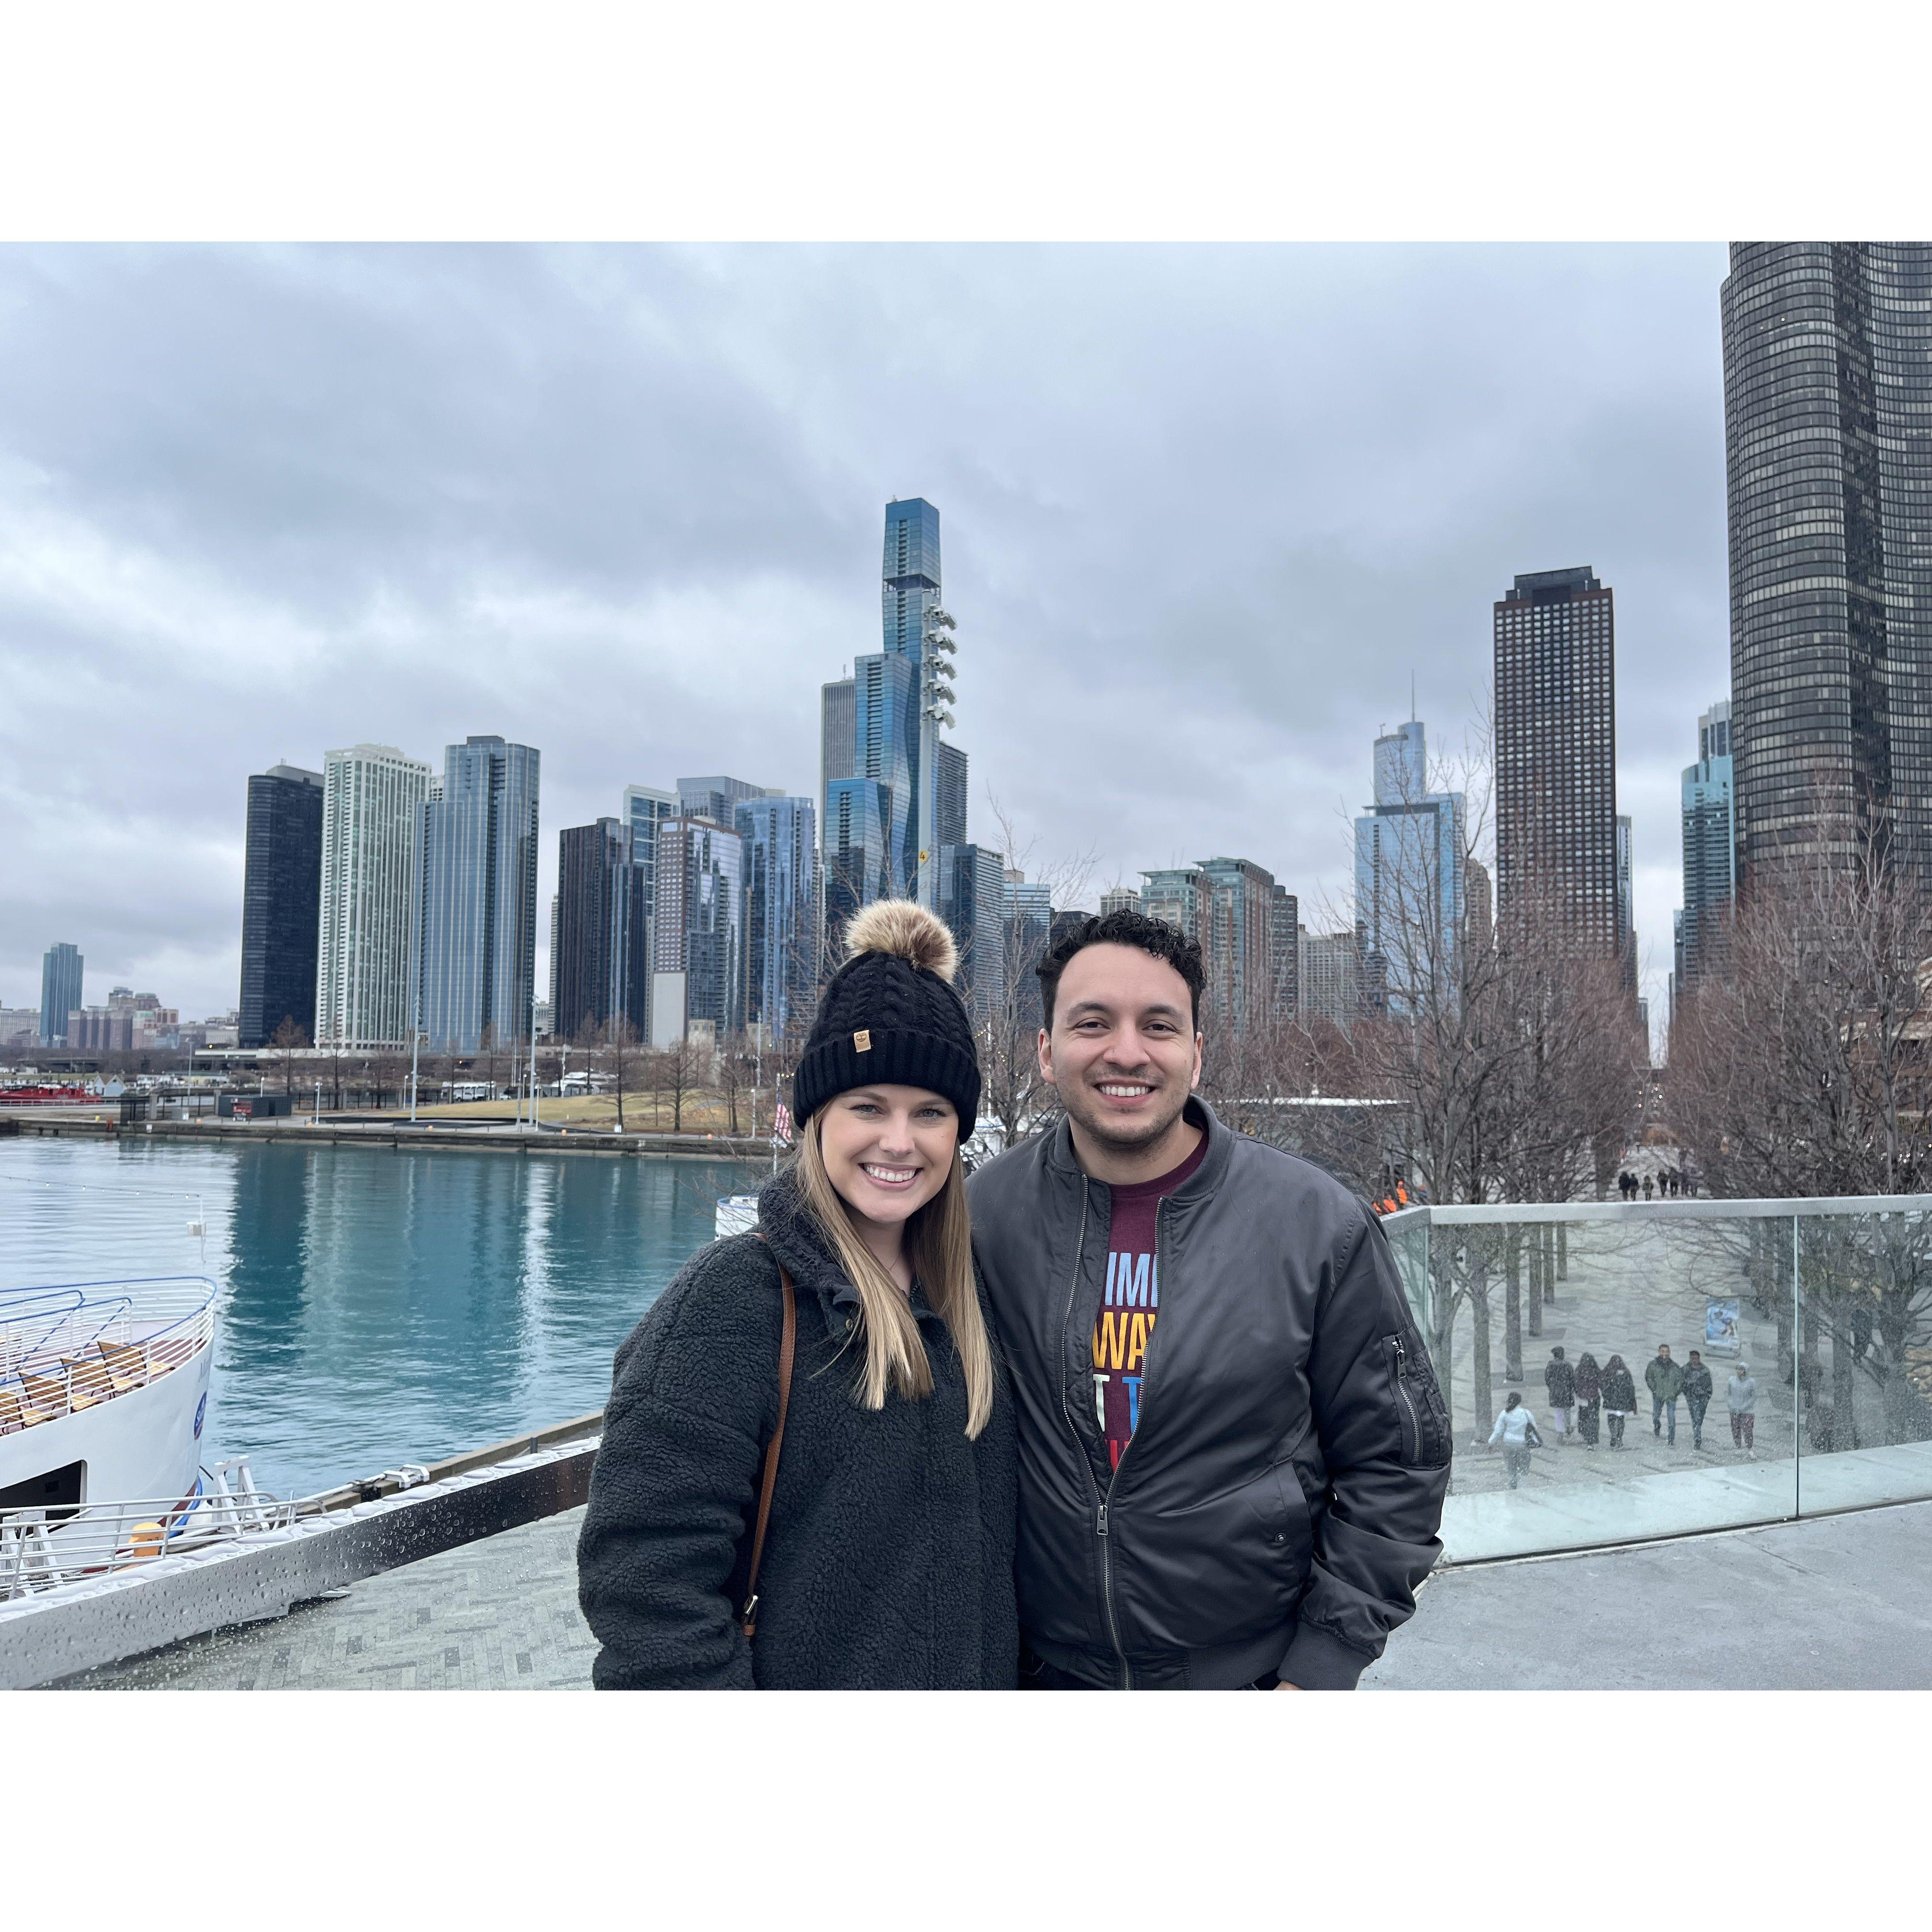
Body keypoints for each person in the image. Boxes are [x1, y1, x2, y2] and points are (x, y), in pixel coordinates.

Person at [968, 908, 1449, 1691]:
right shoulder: (985, 1215)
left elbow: (1397, 1462)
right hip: (1040, 1675)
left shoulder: (1315, 1225)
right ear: (1046, 1052)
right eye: (1093, 1022)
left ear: (1196, 1055)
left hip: (1247, 1677)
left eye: (1157, 1025)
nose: (1126, 1050)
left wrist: (1319, 1665)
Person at [575, 902, 1016, 1689]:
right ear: (815, 1119)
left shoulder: (978, 1301)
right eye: (867, 1107)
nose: (898, 1141)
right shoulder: (734, 1301)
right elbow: (645, 1591)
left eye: (930, 1112)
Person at [1488, 1391, 1541, 1488]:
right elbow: (1534, 1428)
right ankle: (1523, 1489)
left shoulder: (1505, 1414)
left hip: (1509, 1445)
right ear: (1520, 1402)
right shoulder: (1526, 1413)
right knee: (1524, 1470)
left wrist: (1491, 1442)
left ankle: (1512, 1489)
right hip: (1523, 1445)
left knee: (1511, 1469)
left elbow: (1498, 1431)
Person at [1646, 1342, 1683, 1445]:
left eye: (1667, 1352)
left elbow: (1680, 1381)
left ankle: (1671, 1438)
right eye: (1663, 1351)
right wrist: (1655, 1389)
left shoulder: (1675, 1367)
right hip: (1658, 1395)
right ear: (1659, 1352)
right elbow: (1649, 1378)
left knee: (1671, 1418)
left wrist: (1675, 1392)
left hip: (1671, 1396)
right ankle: (1657, 1427)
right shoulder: (1653, 1365)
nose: (1665, 1354)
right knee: (1656, 1416)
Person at [1681, 1348, 1714, 1449]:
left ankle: (1697, 1430)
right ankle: (1698, 1438)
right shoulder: (1685, 1370)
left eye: (1696, 1358)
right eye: (1692, 1358)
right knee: (1696, 1417)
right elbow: (1682, 1383)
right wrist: (1687, 1393)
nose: (1694, 1360)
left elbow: (1709, 1385)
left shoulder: (1705, 1370)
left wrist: (1708, 1396)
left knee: (1700, 1418)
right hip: (1692, 1398)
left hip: (1703, 1398)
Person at [1602, 1354, 1637, 1448]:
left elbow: (1603, 1386)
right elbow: (1631, 1389)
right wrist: (1632, 1404)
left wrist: (1607, 1396)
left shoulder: (1608, 1372)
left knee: (1612, 1420)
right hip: (1623, 1402)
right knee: (1621, 1421)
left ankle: (1613, 1436)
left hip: (1611, 1403)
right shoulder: (1626, 1373)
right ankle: (1619, 1437)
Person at [1543, 1346, 1576, 1446]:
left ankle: (1560, 1431)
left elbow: (1547, 1379)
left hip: (1555, 1392)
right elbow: (1572, 1379)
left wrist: (1553, 1387)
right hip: (1566, 1392)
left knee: (1558, 1412)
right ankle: (1568, 1427)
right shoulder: (1568, 1365)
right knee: (1567, 1411)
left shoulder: (1550, 1365)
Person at [1726, 1360, 1758, 1456]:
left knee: (1748, 1429)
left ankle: (1749, 1447)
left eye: (1741, 1370)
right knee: (1735, 1428)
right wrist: (1732, 1405)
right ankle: (1738, 1445)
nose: (1739, 1372)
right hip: (1734, 1410)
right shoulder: (1732, 1380)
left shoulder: (1751, 1382)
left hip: (1748, 1410)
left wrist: (1745, 1407)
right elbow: (1729, 1395)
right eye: (1738, 1369)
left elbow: (1753, 1397)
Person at [1573, 1350, 1602, 1447]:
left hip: (1583, 1399)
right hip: (1594, 1398)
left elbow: (1576, 1384)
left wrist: (1579, 1393)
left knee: (1584, 1416)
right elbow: (1601, 1382)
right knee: (1593, 1417)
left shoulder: (1579, 1370)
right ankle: (1592, 1437)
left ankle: (1586, 1434)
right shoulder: (1596, 1370)